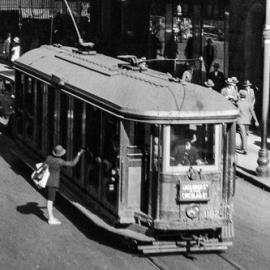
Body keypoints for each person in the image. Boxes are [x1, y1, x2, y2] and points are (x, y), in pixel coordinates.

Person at [44, 145, 85, 225]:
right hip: (52, 183)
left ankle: (51, 217)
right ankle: (50, 218)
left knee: (51, 199)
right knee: (50, 200)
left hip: (47, 181)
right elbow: (72, 163)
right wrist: (79, 154)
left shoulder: (48, 158)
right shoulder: (59, 161)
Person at [237, 90, 259, 154]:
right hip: (247, 120)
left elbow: (237, 112)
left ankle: (244, 149)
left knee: (242, 134)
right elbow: (252, 112)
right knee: (245, 134)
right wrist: (256, 120)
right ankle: (243, 147)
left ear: (240, 96)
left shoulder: (238, 103)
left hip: (240, 120)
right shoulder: (249, 103)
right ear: (245, 96)